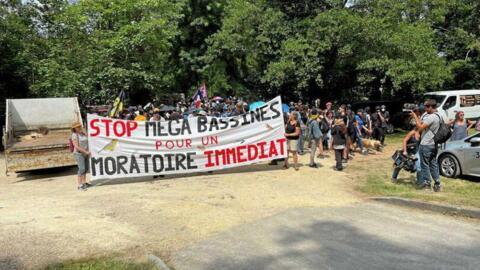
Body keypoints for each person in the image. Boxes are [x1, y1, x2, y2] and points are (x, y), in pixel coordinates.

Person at [411, 99, 441, 192]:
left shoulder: (432, 117)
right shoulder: (439, 115)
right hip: (434, 144)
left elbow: (420, 127)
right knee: (433, 164)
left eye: (427, 106)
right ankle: (437, 184)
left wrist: (415, 116)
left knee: (425, 165)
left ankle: (427, 185)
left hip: (426, 144)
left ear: (432, 106)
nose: (425, 108)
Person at [71, 122, 91, 191]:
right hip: (79, 154)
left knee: (86, 168)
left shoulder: (82, 133)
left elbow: (89, 139)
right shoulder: (74, 135)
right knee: (81, 169)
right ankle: (80, 185)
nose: (79, 127)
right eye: (77, 127)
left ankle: (84, 182)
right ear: (74, 128)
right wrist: (85, 152)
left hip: (85, 153)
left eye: (80, 126)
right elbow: (76, 146)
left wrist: (84, 132)